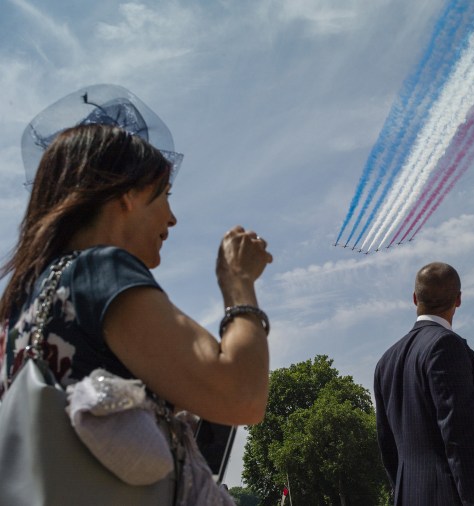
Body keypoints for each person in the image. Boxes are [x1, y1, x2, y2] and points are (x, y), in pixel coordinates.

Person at [0, 85, 272, 503]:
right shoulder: (99, 269)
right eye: (164, 195)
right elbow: (241, 395)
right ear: (125, 194)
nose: (173, 217)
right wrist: (239, 283)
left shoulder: (20, 308)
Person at [374, 262, 474, 505]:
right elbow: (460, 436)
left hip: (408, 495)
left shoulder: (385, 362)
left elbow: (387, 445)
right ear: (459, 300)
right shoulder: (446, 346)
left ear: (414, 298)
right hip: (449, 495)